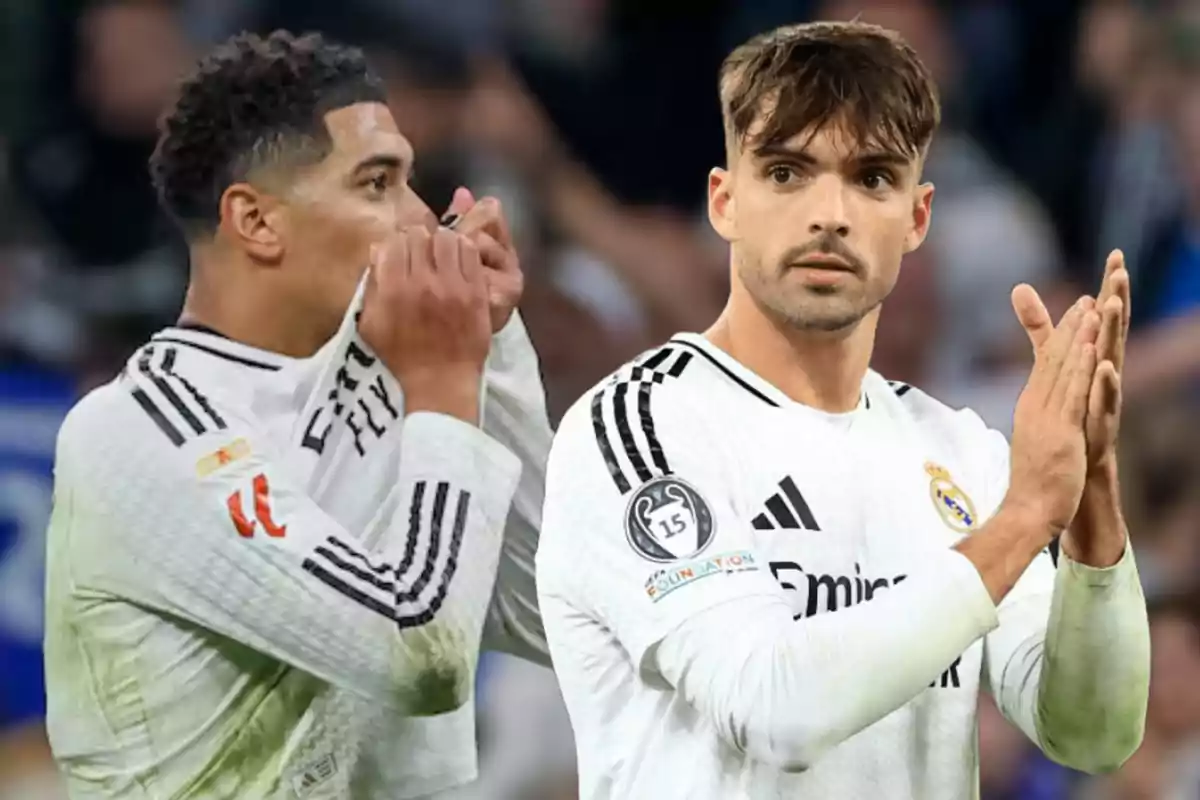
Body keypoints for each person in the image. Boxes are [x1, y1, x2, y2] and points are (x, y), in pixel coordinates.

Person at [536, 20, 1150, 799]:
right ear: (725, 202)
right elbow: (775, 709)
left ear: (918, 218)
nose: (830, 213)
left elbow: (1093, 732)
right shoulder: (641, 428)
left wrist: (1090, 495)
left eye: (872, 178)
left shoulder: (960, 451)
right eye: (788, 173)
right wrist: (1029, 513)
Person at [44, 30, 552, 799]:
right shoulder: (136, 431)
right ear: (256, 222)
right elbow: (419, 655)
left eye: (412, 182)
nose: (421, 220)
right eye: (377, 184)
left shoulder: (399, 384)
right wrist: (447, 379)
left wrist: (492, 349)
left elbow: (559, 613)